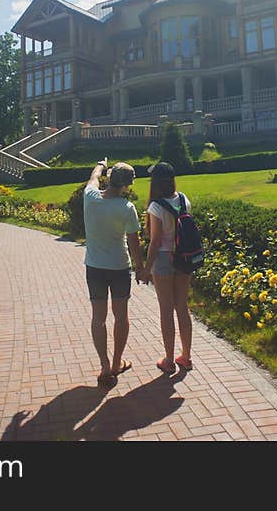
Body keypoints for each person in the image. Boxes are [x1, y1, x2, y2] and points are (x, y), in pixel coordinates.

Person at [83, 159, 146, 385]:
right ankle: (117, 361)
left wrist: (100, 165)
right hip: (119, 268)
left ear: (109, 179)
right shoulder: (126, 208)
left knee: (98, 318)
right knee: (121, 317)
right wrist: (140, 268)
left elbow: (93, 177)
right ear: (127, 185)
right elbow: (134, 243)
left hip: (95, 268)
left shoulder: (89, 197)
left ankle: (104, 365)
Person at [142, 161, 194, 375]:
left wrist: (146, 267)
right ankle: (187, 356)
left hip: (163, 259)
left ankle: (170, 359)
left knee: (166, 309)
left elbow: (154, 241)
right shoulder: (184, 199)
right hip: (183, 257)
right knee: (182, 306)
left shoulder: (155, 207)